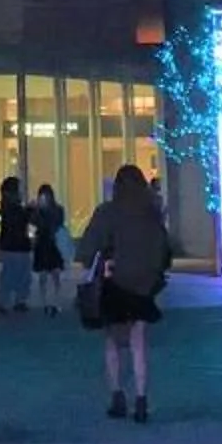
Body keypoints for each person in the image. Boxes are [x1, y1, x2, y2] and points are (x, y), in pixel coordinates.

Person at [75, 162, 172, 423]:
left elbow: (87, 250)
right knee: (139, 341)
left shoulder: (108, 212)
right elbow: (165, 250)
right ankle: (141, 398)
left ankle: (117, 395)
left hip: (114, 284)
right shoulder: (152, 214)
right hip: (144, 285)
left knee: (113, 342)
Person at [0, 175, 35, 314]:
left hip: (12, 246)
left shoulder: (8, 207)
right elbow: (19, 221)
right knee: (16, 274)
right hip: (17, 246)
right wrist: (29, 211)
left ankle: (9, 301)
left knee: (12, 274)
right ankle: (10, 301)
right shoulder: (12, 208)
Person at [30, 182, 69, 313]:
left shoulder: (56, 209)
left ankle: (53, 300)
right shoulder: (49, 210)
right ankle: (47, 301)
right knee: (46, 274)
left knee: (52, 273)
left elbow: (55, 223)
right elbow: (35, 222)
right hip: (45, 243)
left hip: (50, 243)